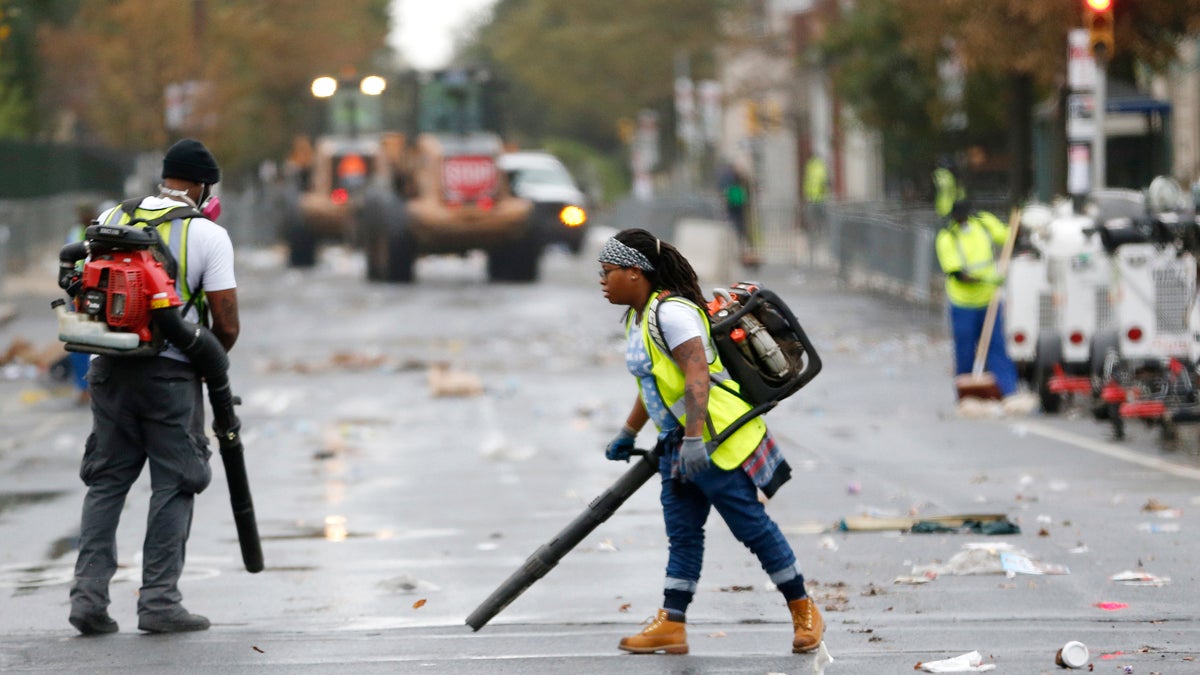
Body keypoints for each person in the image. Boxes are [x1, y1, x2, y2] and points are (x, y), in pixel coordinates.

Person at [597, 228, 823, 655]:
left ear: (636, 271)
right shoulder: (639, 316)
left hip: (717, 438)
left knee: (751, 528)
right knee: (683, 536)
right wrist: (629, 432)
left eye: (609, 272)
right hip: (678, 444)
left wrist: (696, 439)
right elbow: (655, 384)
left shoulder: (672, 314)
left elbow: (697, 374)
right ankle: (672, 623)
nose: (602, 281)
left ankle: (804, 609)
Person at [68, 138, 239, 636]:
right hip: (171, 375)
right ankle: (160, 602)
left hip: (108, 368)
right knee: (176, 482)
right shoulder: (207, 234)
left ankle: (87, 600)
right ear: (203, 185)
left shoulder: (112, 216)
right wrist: (209, 361)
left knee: (106, 483)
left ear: (166, 177)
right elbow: (226, 322)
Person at [934, 200, 1018, 398]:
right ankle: (967, 393)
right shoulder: (947, 237)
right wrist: (987, 279)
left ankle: (1007, 390)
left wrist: (1018, 226)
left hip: (989, 300)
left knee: (996, 347)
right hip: (963, 303)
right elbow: (957, 274)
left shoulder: (983, 224)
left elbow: (1008, 236)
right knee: (964, 348)